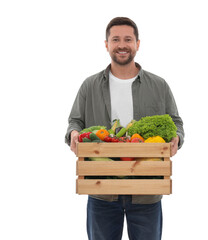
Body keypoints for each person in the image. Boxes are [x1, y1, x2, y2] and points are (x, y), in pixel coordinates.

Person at [65, 17, 184, 240]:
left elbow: (176, 122)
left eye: (128, 39)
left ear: (137, 44)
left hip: (146, 192)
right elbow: (75, 122)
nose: (122, 45)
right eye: (116, 39)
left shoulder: (159, 85)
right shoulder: (90, 85)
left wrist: (177, 137)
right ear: (106, 44)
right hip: (102, 190)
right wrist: (73, 134)